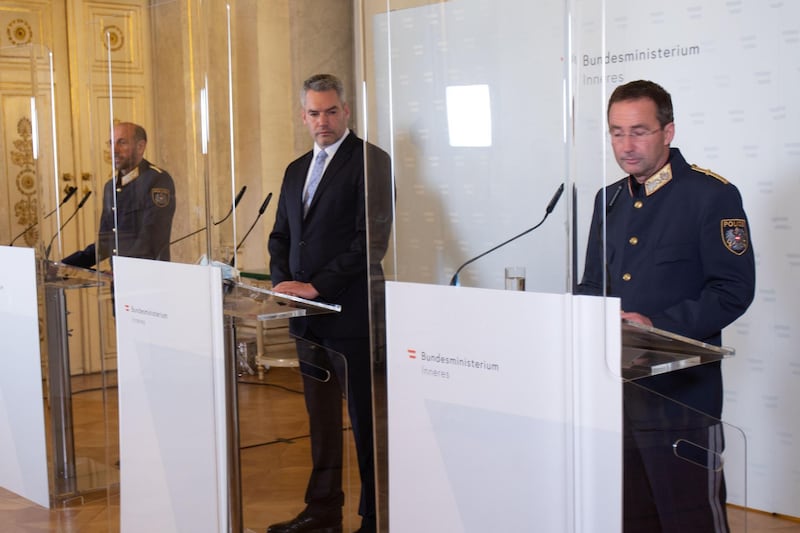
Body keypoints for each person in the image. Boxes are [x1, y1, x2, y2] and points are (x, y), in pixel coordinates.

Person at [578, 80, 755, 532]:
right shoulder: (609, 199)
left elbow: (732, 290)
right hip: (616, 392)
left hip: (683, 396)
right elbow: (594, 285)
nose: (626, 145)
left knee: (691, 519)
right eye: (616, 132)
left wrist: (656, 326)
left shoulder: (710, 196)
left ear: (668, 131)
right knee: (630, 517)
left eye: (638, 131)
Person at [267, 74, 392, 533]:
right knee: (320, 423)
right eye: (314, 113)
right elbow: (281, 235)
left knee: (364, 424)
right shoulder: (296, 168)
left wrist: (316, 286)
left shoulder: (371, 162)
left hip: (352, 317)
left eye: (331, 111)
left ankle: (376, 518)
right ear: (303, 116)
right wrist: (282, 282)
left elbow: (370, 242)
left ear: (347, 111)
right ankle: (322, 512)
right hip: (306, 319)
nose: (323, 121)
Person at [62, 122, 175, 268]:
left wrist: (123, 270)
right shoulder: (111, 187)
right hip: (119, 280)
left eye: (122, 143)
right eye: (111, 143)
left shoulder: (157, 180)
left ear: (140, 147)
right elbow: (105, 243)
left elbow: (151, 237)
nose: (114, 150)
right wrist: (65, 266)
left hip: (148, 278)